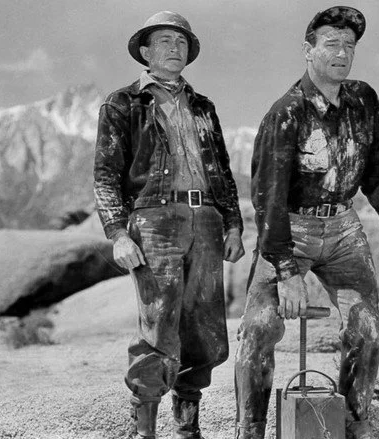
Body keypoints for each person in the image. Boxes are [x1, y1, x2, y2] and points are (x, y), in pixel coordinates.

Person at [233, 6, 379, 439]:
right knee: (260, 327)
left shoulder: (363, 100)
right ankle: (249, 429)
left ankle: (352, 422)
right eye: (332, 44)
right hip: (289, 231)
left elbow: (374, 164)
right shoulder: (286, 113)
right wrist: (287, 273)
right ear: (308, 50)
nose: (342, 53)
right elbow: (268, 199)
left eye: (349, 45)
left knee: (367, 330)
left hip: (345, 229)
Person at [93, 11, 245, 439]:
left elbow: (222, 170)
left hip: (207, 220)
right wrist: (118, 233)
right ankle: (144, 430)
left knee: (205, 329)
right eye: (164, 41)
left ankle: (187, 428)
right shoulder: (123, 103)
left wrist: (233, 225)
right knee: (159, 325)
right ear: (145, 51)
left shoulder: (203, 106)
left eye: (181, 42)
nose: (174, 48)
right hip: (154, 221)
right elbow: (105, 174)